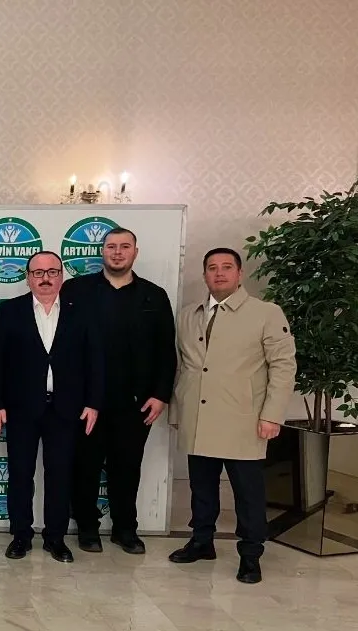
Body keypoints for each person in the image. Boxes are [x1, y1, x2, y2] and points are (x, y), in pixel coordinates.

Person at [168, 248, 296, 584]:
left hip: (243, 420)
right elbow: (182, 367)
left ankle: (251, 554)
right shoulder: (188, 315)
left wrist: (272, 415)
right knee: (201, 488)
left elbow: (283, 367)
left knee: (248, 493)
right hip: (198, 416)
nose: (219, 273)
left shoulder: (266, 313)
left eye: (227, 267)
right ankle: (201, 541)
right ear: (204, 275)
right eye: (212, 268)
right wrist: (178, 410)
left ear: (240, 273)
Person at [61, 228, 176, 554]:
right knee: (84, 466)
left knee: (127, 468)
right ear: (103, 251)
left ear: (135, 253)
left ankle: (125, 529)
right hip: (86, 401)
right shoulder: (76, 290)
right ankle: (87, 528)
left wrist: (161, 394)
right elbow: (62, 343)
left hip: (136, 403)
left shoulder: (154, 295)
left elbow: (166, 350)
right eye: (111, 246)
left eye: (125, 246)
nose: (117, 252)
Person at [0, 251, 103, 563]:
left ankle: (56, 538)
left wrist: (93, 402)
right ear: (28, 278)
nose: (45, 278)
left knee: (60, 475)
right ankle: (20, 536)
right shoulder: (10, 311)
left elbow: (95, 360)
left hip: (66, 409)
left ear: (61, 276)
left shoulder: (81, 311)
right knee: (20, 474)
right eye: (38, 273)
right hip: (21, 408)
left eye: (52, 272)